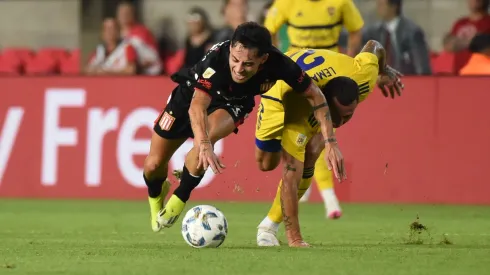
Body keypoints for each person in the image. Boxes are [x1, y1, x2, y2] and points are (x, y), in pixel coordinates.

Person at [143, 22, 345, 233]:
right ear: (230, 50)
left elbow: (315, 95)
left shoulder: (280, 64)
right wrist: (201, 143)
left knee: (209, 135)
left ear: (263, 59)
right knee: (153, 164)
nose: (239, 69)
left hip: (234, 103)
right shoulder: (217, 61)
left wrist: (330, 141)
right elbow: (197, 106)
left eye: (248, 64)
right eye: (235, 60)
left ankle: (180, 197)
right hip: (189, 97)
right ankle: (156, 198)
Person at [254, 40, 404, 247]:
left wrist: (383, 69)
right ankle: (286, 231)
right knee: (266, 163)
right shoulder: (295, 108)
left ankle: (268, 226)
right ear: (324, 104)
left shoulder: (364, 77)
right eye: (335, 115)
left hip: (317, 76)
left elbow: (373, 45)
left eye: (348, 115)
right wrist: (295, 239)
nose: (341, 122)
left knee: (311, 153)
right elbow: (289, 178)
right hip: (280, 92)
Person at [263, 0, 365, 218]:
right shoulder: (286, 3)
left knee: (319, 136)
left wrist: (347, 60)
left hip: (330, 75)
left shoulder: (341, 2)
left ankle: (327, 199)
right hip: (297, 75)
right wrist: (278, 61)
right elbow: (268, 31)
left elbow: (356, 30)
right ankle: (322, 197)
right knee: (307, 138)